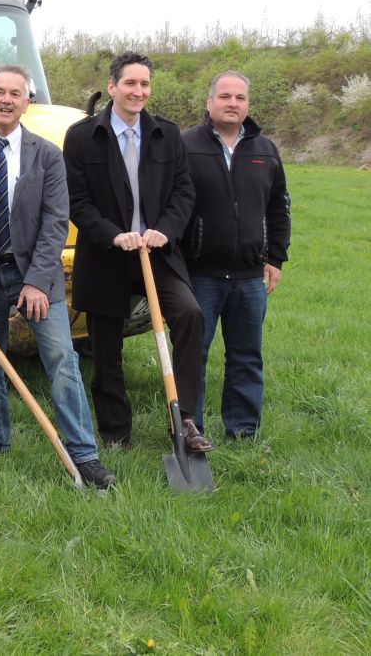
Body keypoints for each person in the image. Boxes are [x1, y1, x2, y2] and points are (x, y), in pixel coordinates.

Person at [0, 64, 117, 489]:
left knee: (62, 362)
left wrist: (36, 281)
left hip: (38, 276)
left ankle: (84, 455)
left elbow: (55, 221)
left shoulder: (47, 154)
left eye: (16, 93)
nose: (7, 100)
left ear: (27, 101)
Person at [62, 51, 213, 452]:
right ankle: (116, 432)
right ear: (112, 87)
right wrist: (113, 235)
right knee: (106, 345)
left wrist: (164, 231)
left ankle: (185, 421)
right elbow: (77, 201)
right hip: (107, 254)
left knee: (190, 314)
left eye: (145, 84)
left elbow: (184, 192)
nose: (138, 91)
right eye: (130, 83)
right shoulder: (81, 137)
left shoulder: (167, 133)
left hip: (156, 253)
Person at [183, 71, 290, 439]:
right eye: (225, 96)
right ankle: (190, 429)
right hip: (200, 274)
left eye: (240, 98)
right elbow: (172, 207)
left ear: (248, 104)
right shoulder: (186, 145)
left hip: (249, 276)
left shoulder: (265, 150)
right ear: (209, 102)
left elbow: (279, 207)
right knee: (192, 356)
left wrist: (275, 257)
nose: (233, 103)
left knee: (246, 356)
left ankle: (243, 430)